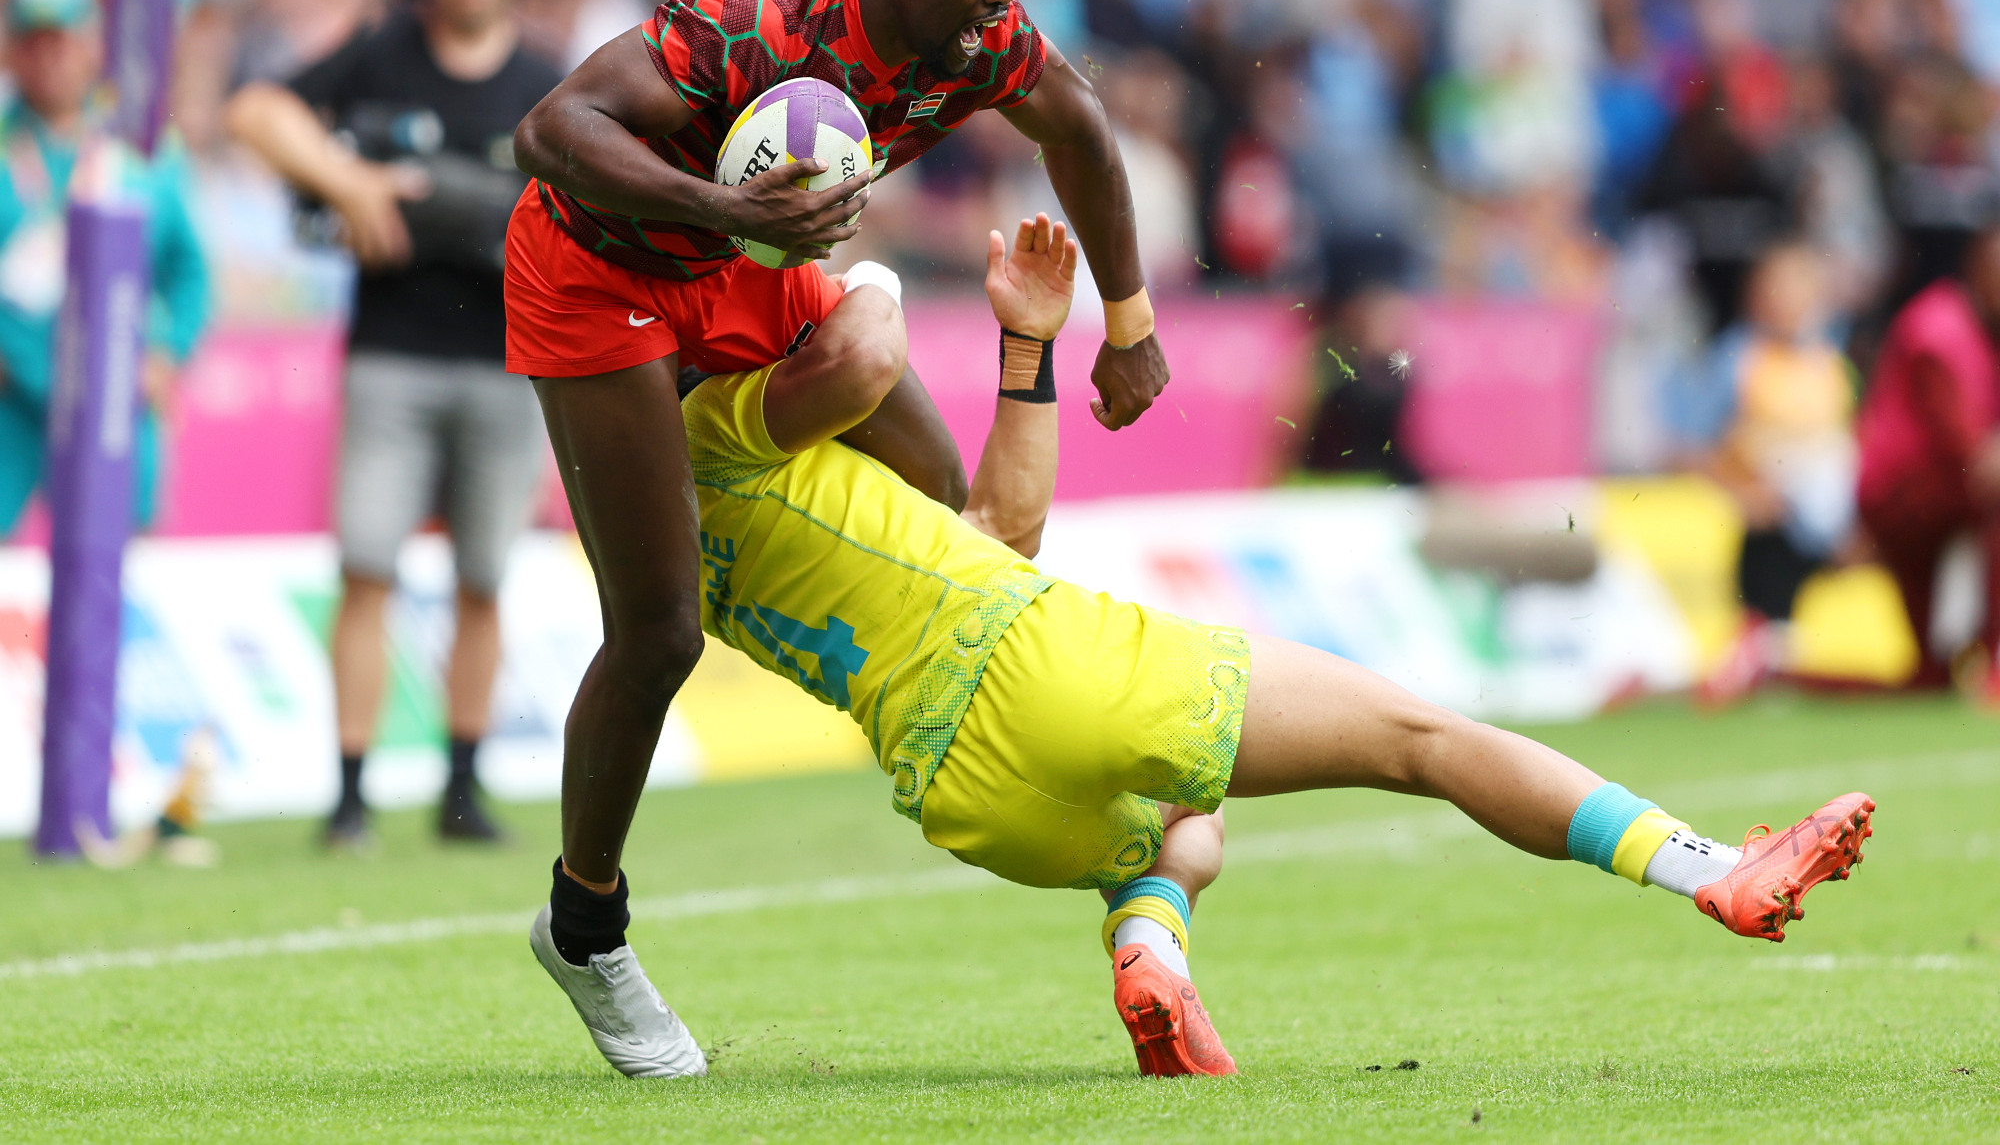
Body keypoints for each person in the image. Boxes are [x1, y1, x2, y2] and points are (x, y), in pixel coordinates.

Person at [527, 213, 1878, 1080]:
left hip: (957, 788)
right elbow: (867, 347)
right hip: (1034, 658)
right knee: (1426, 740)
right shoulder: (716, 435)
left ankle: (1154, 959)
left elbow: (996, 523)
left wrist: (1021, 347)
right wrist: (848, 251)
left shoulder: (662, 541)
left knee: (1190, 828)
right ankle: (1715, 867)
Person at [506, 0, 1172, 952]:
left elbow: (1082, 129)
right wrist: (735, 216)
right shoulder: (756, 15)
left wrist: (1131, 318)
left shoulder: (981, 35)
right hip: (595, 269)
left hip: (745, 261)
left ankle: (762, 504)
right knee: (661, 634)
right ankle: (585, 920)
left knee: (939, 487)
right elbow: (549, 131)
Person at [224, 0, 564, 847]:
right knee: (367, 568)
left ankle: (463, 787)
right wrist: (349, 179)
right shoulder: (381, 52)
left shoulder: (547, 78)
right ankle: (349, 792)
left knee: (484, 578)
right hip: (389, 355)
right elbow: (255, 111)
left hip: (510, 359)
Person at [0, 0, 209, 535]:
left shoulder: (144, 148)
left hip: (114, 395)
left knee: (113, 563)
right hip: (12, 397)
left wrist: (168, 355)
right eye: (33, 44)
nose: (49, 59)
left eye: (63, 43)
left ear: (94, 49)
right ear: (11, 53)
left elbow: (188, 268)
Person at [1670, 242, 1858, 703]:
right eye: (1775, 290)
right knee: (1769, 650)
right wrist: (1743, 492)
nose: (1786, 302)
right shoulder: (1738, 358)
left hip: (1823, 531)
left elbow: (1841, 445)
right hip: (1768, 532)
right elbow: (1689, 445)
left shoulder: (1829, 361)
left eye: (1797, 291)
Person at [1855, 225, 2000, 698]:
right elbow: (1976, 456)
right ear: (1977, 268)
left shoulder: (1972, 324)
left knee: (1928, 680)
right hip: (1908, 495)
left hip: (1932, 494)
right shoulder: (1940, 330)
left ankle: (1773, 670)